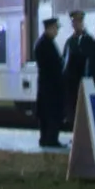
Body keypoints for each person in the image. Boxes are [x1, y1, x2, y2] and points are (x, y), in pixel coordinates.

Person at [32, 16, 65, 148]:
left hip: (46, 87)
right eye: (56, 28)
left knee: (46, 114)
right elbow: (53, 66)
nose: (57, 31)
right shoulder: (46, 44)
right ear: (50, 28)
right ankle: (51, 140)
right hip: (50, 87)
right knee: (51, 114)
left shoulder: (42, 42)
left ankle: (46, 138)